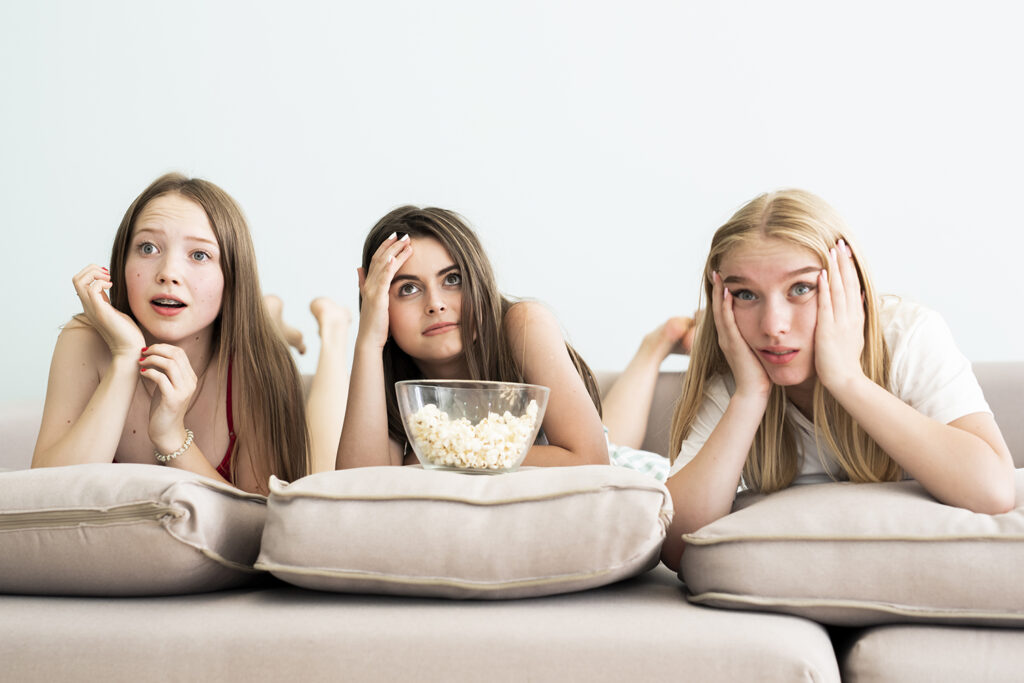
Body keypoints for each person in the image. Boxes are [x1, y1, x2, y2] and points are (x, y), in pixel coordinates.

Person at [661, 189, 1015, 570]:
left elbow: (993, 491)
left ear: (851, 286)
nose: (773, 326)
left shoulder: (906, 336)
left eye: (801, 288)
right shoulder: (736, 375)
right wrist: (750, 395)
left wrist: (847, 379)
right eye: (746, 294)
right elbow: (678, 547)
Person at [32, 173, 311, 494]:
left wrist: (172, 436)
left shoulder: (261, 364)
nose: (168, 274)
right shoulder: (84, 338)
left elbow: (265, 523)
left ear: (232, 275)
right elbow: (44, 496)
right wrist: (125, 357)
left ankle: (289, 319)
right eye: (148, 248)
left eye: (199, 255)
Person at [330, 206, 609, 468]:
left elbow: (591, 460)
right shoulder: (388, 378)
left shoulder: (524, 324)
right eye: (408, 289)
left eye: (452, 280)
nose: (435, 304)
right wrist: (369, 342)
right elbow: (359, 490)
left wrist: (434, 455)